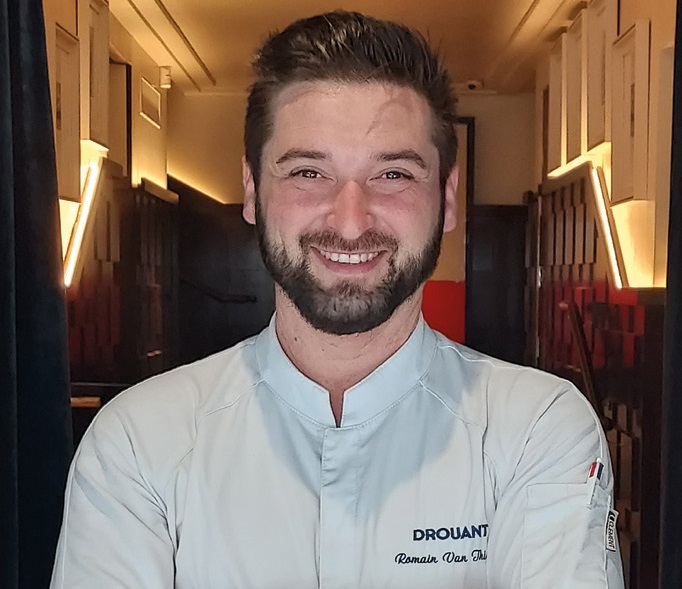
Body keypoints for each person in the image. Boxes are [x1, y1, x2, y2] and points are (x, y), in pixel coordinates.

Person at [51, 11, 624, 589]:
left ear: (447, 197)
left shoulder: (535, 429)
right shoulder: (140, 441)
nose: (351, 222)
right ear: (253, 189)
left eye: (393, 174)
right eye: (308, 172)